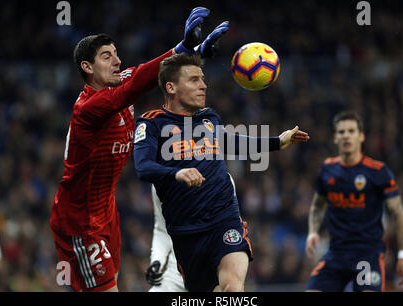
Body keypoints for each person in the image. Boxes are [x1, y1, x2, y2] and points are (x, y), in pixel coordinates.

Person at [49, 7, 228, 292]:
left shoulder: (120, 84)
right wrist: (182, 48)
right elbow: (135, 87)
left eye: (117, 54)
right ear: (87, 67)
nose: (117, 61)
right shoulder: (89, 108)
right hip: (80, 220)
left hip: (107, 210)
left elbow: (150, 72)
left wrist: (194, 55)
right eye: (107, 57)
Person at [133, 52, 310, 292]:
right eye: (194, 80)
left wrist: (277, 141)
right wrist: (176, 173)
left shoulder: (208, 117)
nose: (203, 85)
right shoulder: (151, 123)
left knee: (232, 289)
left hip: (223, 219)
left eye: (203, 79)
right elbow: (143, 167)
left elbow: (231, 141)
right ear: (171, 87)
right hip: (186, 233)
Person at [305, 111, 403, 292]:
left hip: (367, 255)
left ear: (361, 136)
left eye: (351, 131)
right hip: (336, 254)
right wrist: (312, 231)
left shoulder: (378, 171)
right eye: (341, 132)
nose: (346, 135)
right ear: (335, 138)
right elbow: (317, 205)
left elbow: (398, 213)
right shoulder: (327, 169)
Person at [146, 173, 237, 292]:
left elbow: (230, 226)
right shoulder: (160, 183)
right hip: (176, 276)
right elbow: (162, 230)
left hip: (212, 273)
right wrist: (157, 260)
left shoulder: (221, 177)